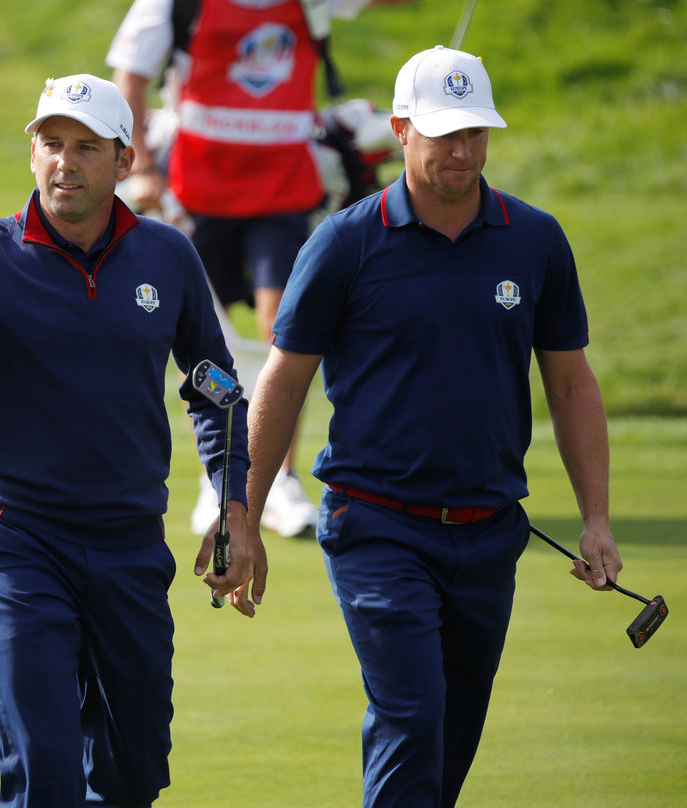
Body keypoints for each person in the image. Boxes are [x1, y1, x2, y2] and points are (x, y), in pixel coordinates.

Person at [0, 73, 266, 808]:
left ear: (125, 160)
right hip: (18, 541)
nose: (64, 162)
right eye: (50, 144)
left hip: (130, 545)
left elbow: (216, 391)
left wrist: (233, 503)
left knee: (135, 770)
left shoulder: (167, 257)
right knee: (46, 769)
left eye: (86, 147)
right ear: (32, 154)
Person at [241, 46, 622, 807]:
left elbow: (571, 384)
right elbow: (282, 381)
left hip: (490, 530)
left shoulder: (535, 239)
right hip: (376, 524)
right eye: (445, 133)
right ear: (401, 130)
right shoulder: (344, 242)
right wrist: (244, 518)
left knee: (452, 736)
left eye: (475, 132)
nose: (462, 151)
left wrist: (597, 517)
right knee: (413, 714)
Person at [106, 0, 401, 538]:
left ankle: (277, 478)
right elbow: (130, 74)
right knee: (202, 343)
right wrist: (143, 164)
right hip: (195, 192)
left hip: (284, 194)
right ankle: (215, 480)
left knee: (284, 331)